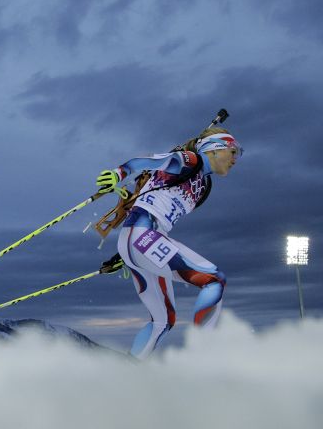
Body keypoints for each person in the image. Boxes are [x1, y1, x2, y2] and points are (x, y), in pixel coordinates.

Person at [96, 127, 243, 359]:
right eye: (233, 151)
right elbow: (147, 162)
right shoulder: (190, 161)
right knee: (214, 280)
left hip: (142, 241)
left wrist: (127, 254)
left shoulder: (204, 187)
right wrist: (119, 173)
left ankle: (128, 372)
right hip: (142, 235)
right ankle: (202, 359)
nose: (236, 158)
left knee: (163, 321)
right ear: (214, 149)